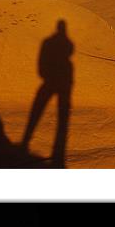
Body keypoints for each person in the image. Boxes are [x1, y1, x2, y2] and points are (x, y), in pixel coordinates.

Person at [21, 19, 74, 168]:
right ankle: (26, 141)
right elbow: (42, 62)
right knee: (53, 114)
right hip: (55, 81)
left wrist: (45, 76)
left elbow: (41, 63)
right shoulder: (62, 44)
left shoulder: (50, 42)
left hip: (54, 81)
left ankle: (25, 141)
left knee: (50, 112)